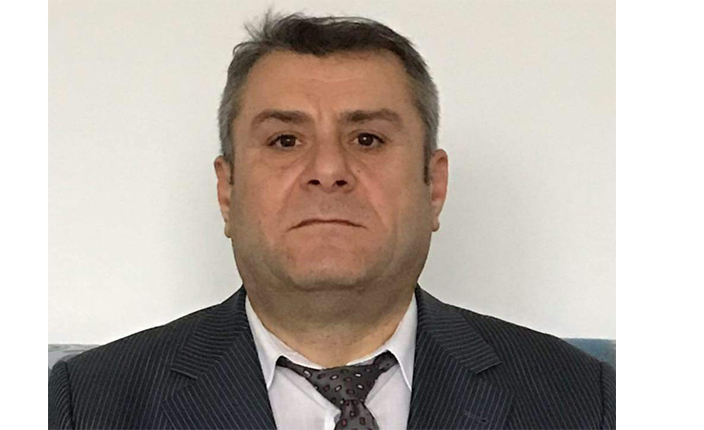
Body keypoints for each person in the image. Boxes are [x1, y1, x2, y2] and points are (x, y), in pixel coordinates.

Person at [49, 12, 615, 430]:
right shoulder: (84, 404)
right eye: (285, 140)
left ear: (434, 186)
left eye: (367, 139)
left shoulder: (587, 400)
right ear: (227, 189)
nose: (328, 170)